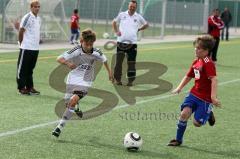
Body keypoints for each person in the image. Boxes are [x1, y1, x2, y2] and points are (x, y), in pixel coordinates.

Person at [52, 28, 113, 137]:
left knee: (72, 101)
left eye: (91, 44)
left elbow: (105, 60)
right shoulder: (76, 50)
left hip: (86, 80)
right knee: (68, 103)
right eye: (86, 44)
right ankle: (76, 107)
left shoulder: (96, 52)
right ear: (81, 42)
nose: (89, 47)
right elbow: (59, 58)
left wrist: (110, 72)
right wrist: (68, 63)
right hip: (73, 78)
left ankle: (59, 127)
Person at [167, 35, 221, 146]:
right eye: (195, 47)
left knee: (197, 123)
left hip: (205, 99)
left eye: (199, 48)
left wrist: (213, 97)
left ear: (206, 50)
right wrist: (179, 88)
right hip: (193, 94)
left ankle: (208, 113)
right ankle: (178, 140)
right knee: (184, 114)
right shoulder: (196, 61)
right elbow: (188, 76)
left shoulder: (208, 63)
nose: (195, 49)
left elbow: (214, 80)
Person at [112, 0, 149, 86]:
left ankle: (130, 81)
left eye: (134, 7)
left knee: (131, 63)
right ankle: (118, 80)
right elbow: (114, 22)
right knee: (118, 62)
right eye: (130, 6)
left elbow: (146, 25)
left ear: (136, 7)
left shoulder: (138, 17)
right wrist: (116, 31)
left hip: (132, 44)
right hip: (121, 42)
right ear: (128, 6)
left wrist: (139, 29)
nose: (132, 8)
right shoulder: (122, 14)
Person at [17, 0, 41, 95]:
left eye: (38, 7)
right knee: (22, 68)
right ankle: (21, 87)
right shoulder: (27, 17)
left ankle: (30, 87)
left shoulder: (38, 19)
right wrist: (21, 43)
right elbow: (21, 31)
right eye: (35, 7)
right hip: (26, 47)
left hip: (35, 48)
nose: (37, 8)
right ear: (31, 7)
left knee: (30, 69)